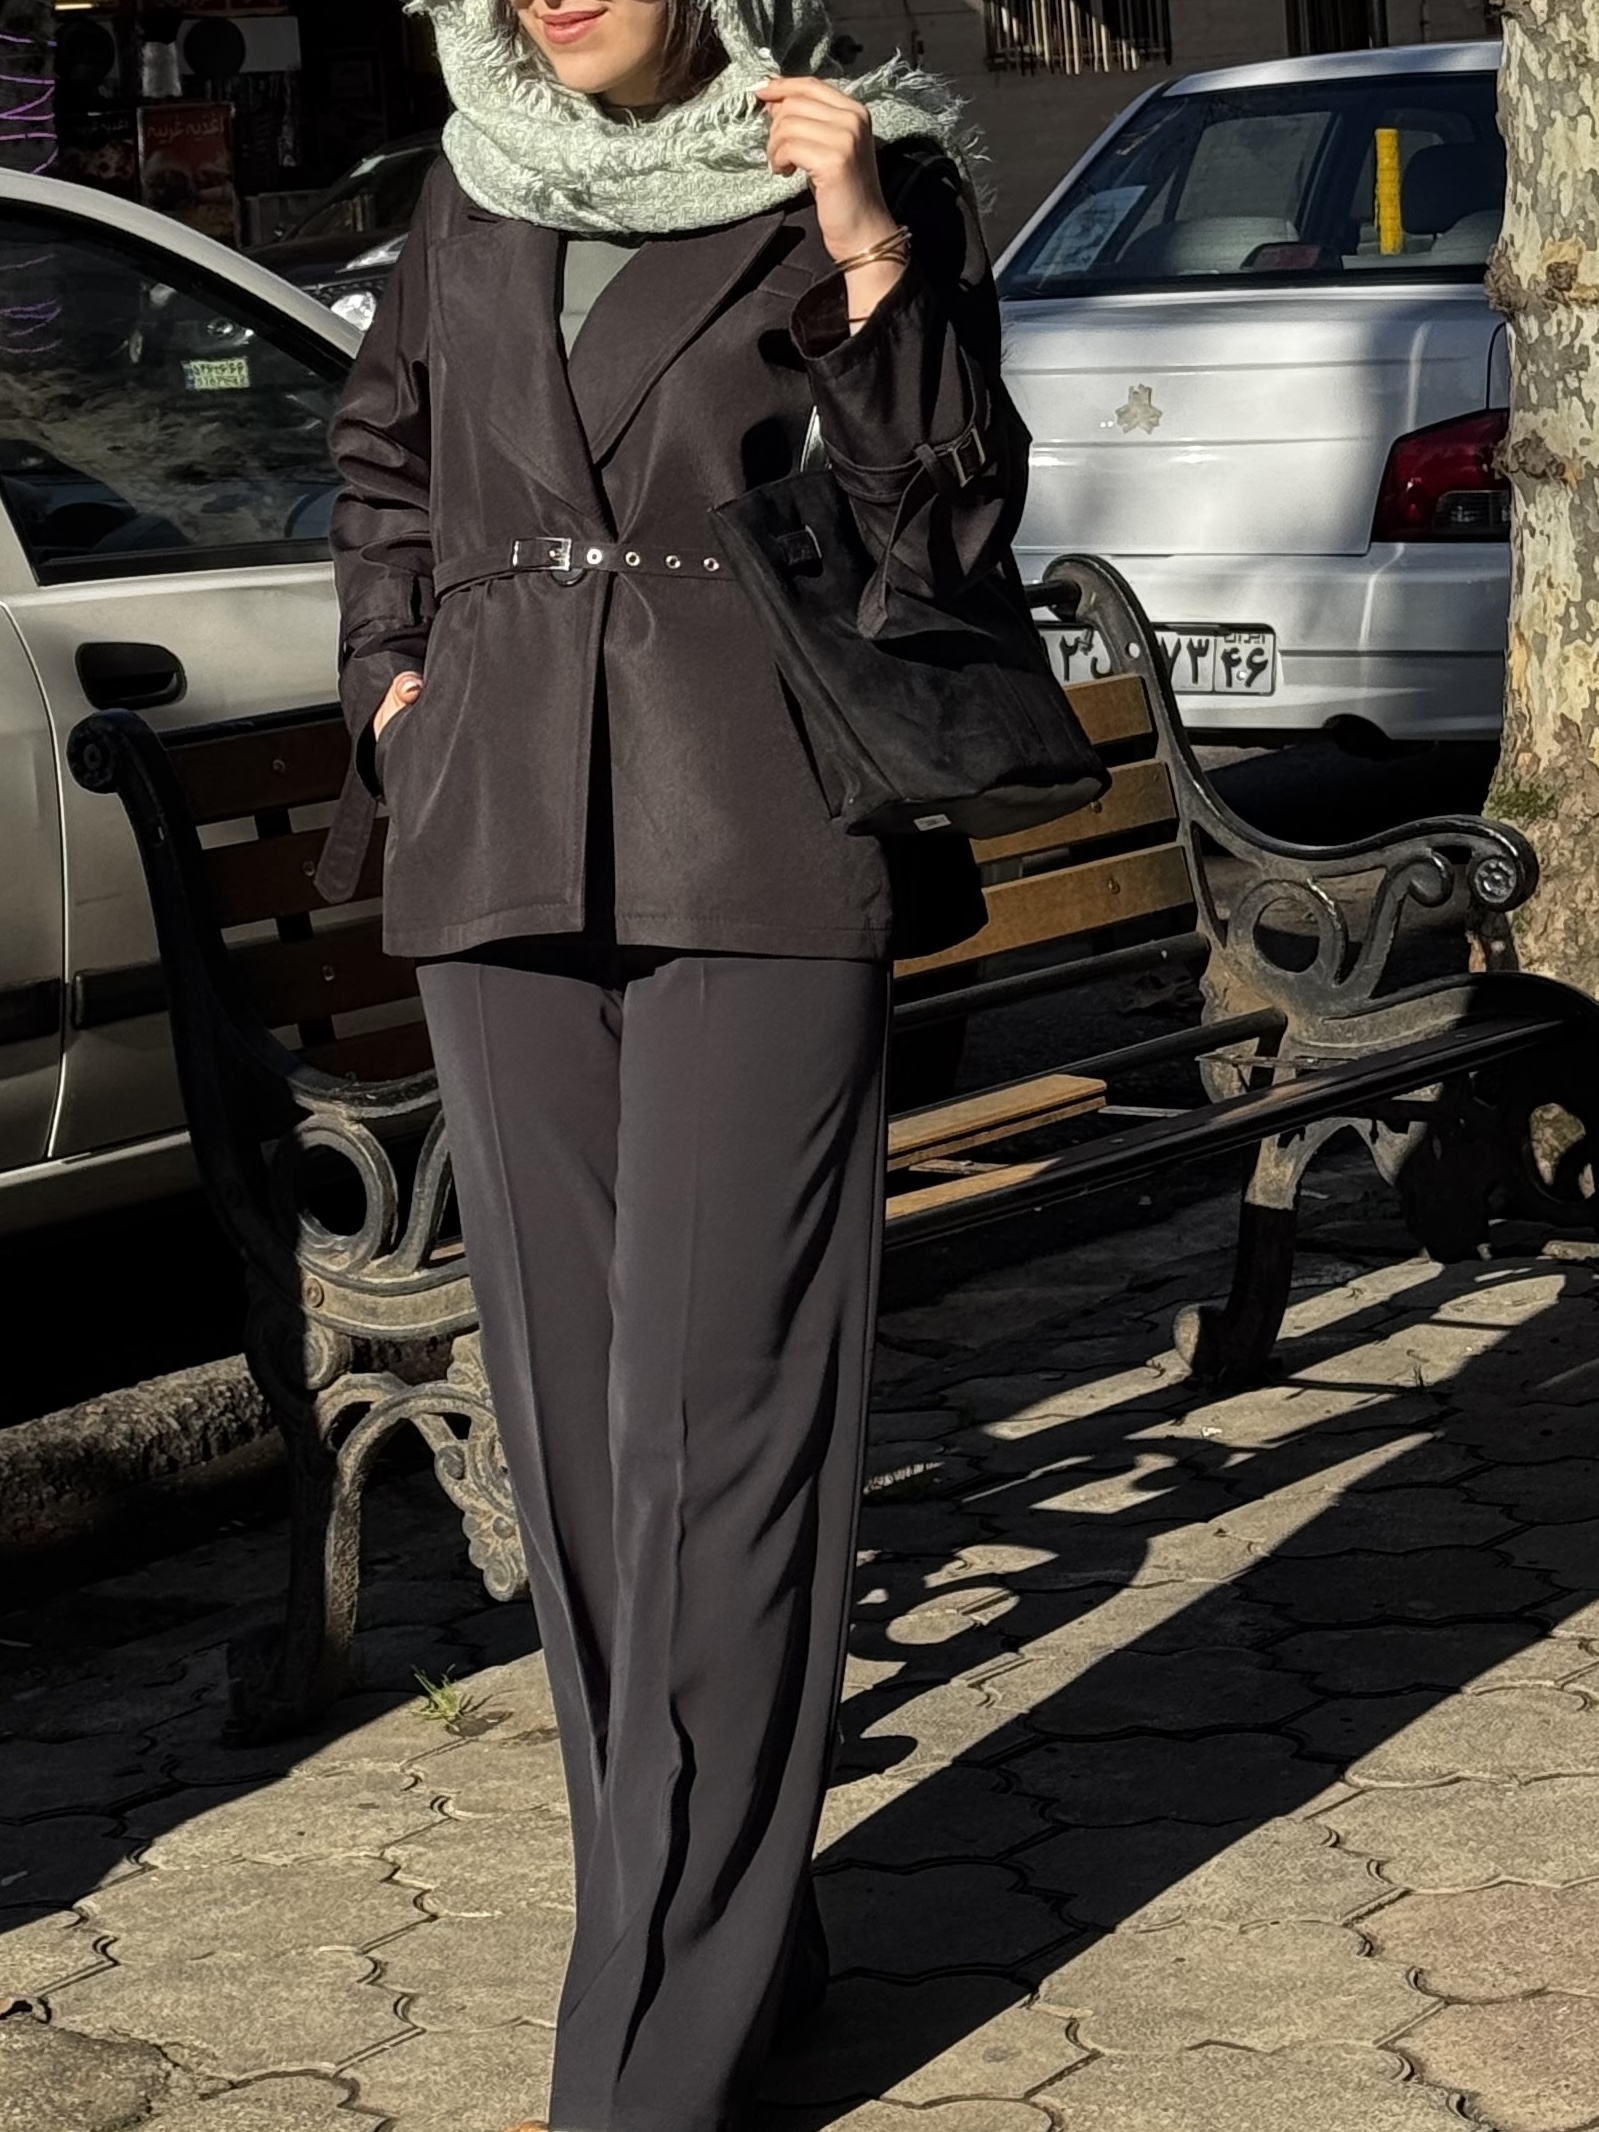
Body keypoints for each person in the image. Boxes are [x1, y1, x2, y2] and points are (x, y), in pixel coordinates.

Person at [318, 0, 1029, 2122]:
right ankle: (731, 1927)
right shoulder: (468, 180)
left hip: (757, 843)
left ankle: (642, 2056)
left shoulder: (859, 175)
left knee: (714, 1435)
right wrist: (393, 687)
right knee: (574, 1444)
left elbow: (943, 538)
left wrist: (868, 248)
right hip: (498, 841)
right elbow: (381, 458)